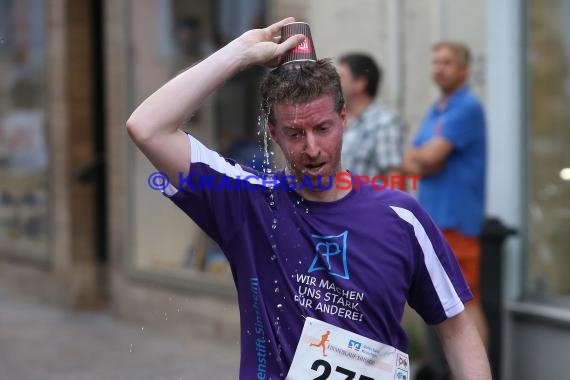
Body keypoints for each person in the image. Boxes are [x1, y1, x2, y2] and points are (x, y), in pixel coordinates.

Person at [127, 18, 491, 380]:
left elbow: (456, 327)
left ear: (343, 118)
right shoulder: (249, 202)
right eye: (294, 133)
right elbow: (147, 127)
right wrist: (239, 53)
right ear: (274, 133)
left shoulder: (401, 216)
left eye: (322, 128)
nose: (312, 148)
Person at [402, 41, 488, 375]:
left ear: (464, 70)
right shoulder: (438, 108)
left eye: (447, 62)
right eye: (435, 61)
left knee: (466, 306)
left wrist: (423, 159)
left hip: (458, 223)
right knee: (446, 305)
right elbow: (414, 158)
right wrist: (422, 160)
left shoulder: (466, 107)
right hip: (437, 223)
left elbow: (429, 158)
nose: (439, 68)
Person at [337, 53, 404, 180]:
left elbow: (395, 178)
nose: (334, 83)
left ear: (360, 83)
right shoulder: (338, 118)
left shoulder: (385, 122)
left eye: (341, 77)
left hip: (370, 200)